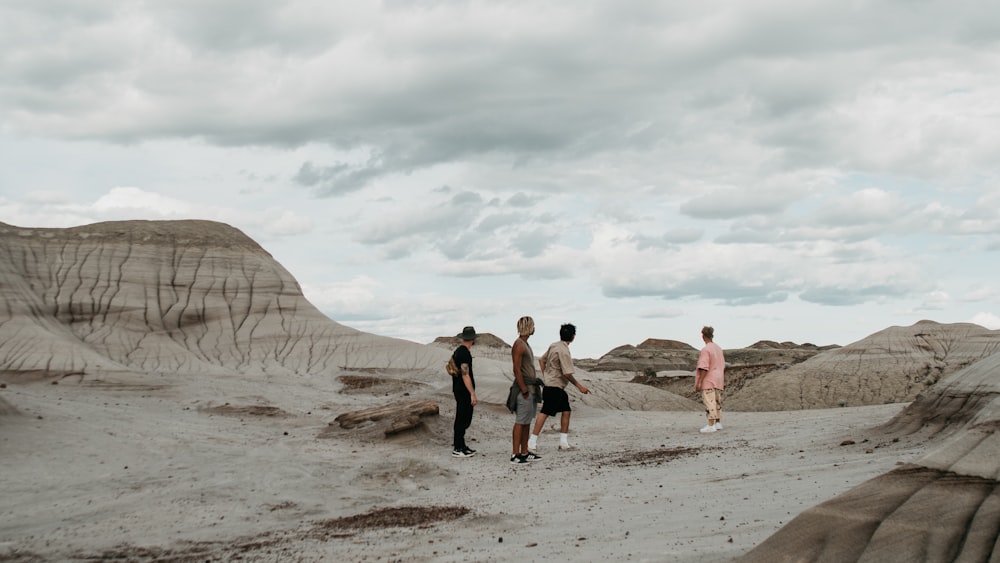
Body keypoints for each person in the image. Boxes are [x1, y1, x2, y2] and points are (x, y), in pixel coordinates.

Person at [527, 323, 589, 452]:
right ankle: (531, 442)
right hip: (555, 386)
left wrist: (546, 375)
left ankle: (563, 442)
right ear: (573, 336)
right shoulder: (564, 350)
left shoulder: (554, 345)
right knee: (544, 413)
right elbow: (567, 373)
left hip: (553, 385)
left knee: (566, 410)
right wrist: (580, 386)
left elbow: (541, 360)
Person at [510, 316, 543, 464]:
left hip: (531, 389)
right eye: (533, 325)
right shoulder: (519, 345)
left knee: (527, 421)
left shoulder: (525, 344)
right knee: (520, 421)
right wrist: (523, 389)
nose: (535, 328)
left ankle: (524, 452)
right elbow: (516, 369)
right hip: (525, 389)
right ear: (528, 327)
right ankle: (515, 454)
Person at [451, 326, 479, 457]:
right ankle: (458, 447)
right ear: (473, 339)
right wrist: (472, 393)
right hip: (463, 390)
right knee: (463, 417)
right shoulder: (463, 353)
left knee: (463, 417)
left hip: (460, 389)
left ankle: (461, 445)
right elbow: (465, 374)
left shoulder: (459, 351)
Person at [695, 325, 725, 433]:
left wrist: (699, 381)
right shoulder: (718, 348)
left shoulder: (706, 349)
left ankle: (711, 425)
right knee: (717, 401)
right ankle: (718, 423)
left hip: (709, 379)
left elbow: (704, 367)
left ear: (703, 336)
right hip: (719, 378)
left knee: (709, 401)